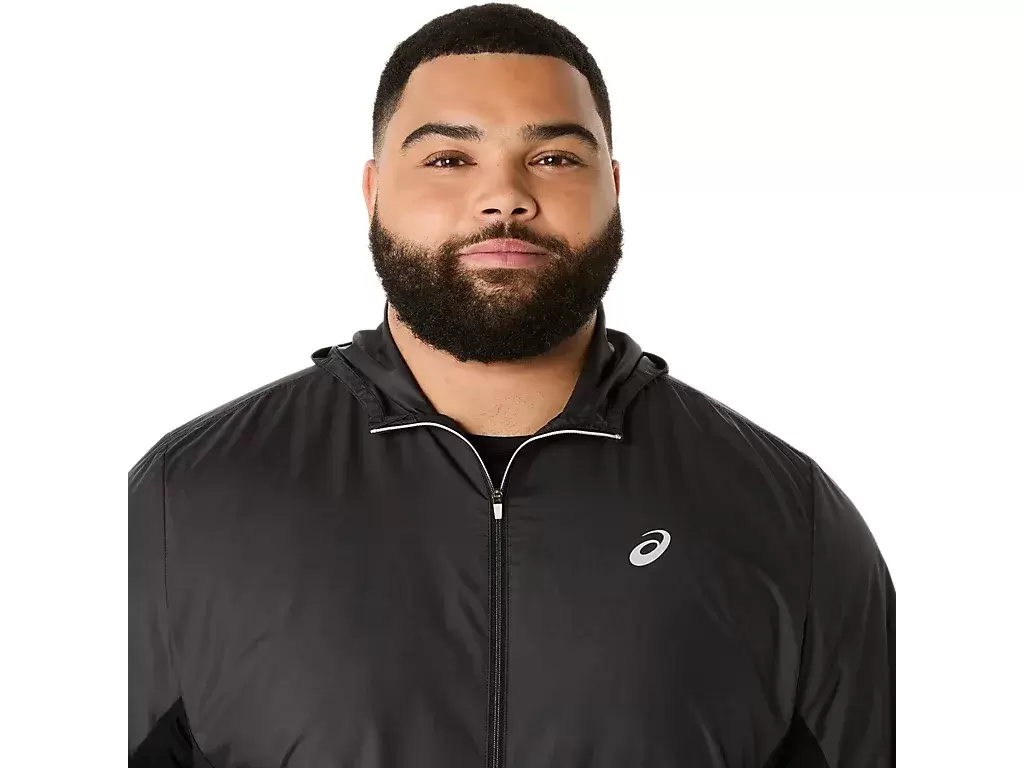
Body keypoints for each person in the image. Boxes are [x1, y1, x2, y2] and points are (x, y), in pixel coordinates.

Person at [128, 3, 895, 766]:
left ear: (613, 187)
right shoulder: (180, 503)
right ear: (373, 191)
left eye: (554, 158)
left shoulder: (788, 519)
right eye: (448, 159)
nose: (504, 198)